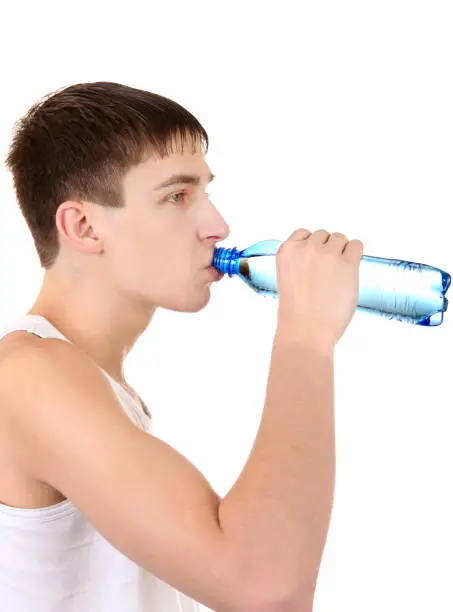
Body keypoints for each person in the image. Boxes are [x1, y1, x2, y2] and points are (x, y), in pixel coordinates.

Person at [0, 81, 364, 612]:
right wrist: (305, 334)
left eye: (206, 193)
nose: (217, 226)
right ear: (83, 226)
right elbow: (266, 590)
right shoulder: (28, 379)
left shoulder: (88, 384)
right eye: (177, 196)